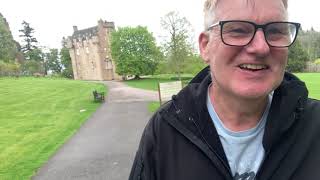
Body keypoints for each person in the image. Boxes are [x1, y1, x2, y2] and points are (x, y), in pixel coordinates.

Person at [129, 0, 320, 179]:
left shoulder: (314, 127)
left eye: (275, 31)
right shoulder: (165, 130)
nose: (261, 47)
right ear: (205, 46)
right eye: (238, 30)